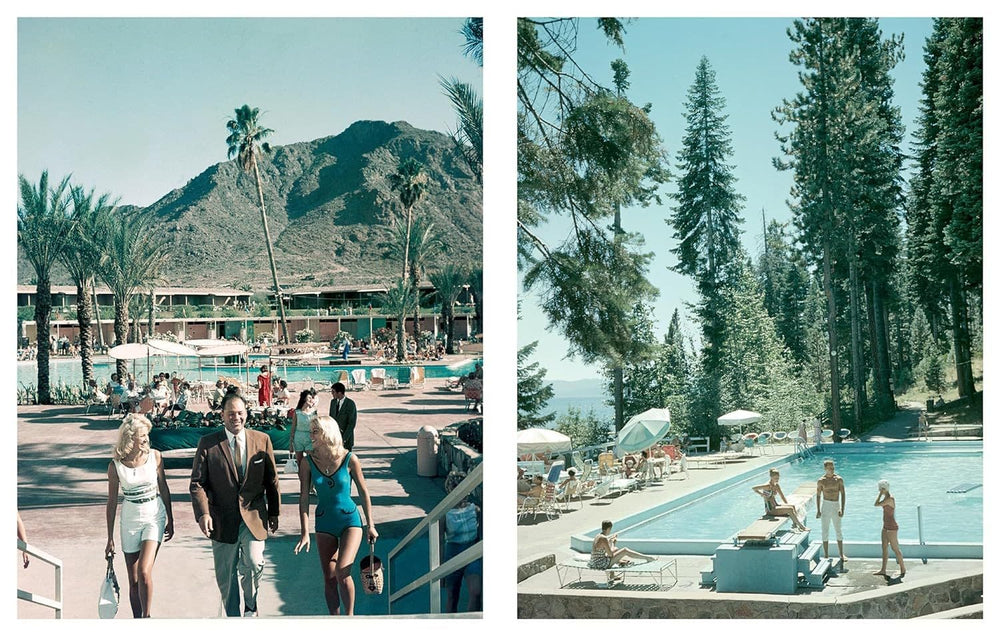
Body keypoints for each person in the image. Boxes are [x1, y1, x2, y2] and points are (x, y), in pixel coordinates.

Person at [190, 393, 280, 617]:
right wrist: (203, 514)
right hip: (222, 520)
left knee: (254, 562)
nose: (236, 418)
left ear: (246, 414)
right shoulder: (208, 443)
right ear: (222, 415)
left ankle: (251, 604)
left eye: (240, 413)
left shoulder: (262, 440)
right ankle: (232, 618)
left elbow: (272, 480)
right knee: (226, 575)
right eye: (231, 414)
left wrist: (274, 513)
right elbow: (197, 484)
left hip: (253, 517)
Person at [293, 415, 377, 615]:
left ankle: (349, 619)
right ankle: (335, 621)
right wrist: (304, 532)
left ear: (327, 432)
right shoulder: (307, 462)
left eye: (315, 431)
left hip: (350, 520)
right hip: (324, 521)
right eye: (311, 431)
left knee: (342, 572)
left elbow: (364, 493)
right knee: (329, 578)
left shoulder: (350, 458)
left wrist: (370, 524)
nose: (311, 435)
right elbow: (304, 497)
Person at [105, 414, 174, 617]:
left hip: (154, 515)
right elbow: (111, 503)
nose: (146, 439)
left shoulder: (156, 456)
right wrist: (109, 538)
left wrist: (171, 518)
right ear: (129, 437)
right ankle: (137, 620)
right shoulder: (115, 466)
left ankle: (147, 617)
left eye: (146, 435)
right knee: (133, 580)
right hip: (129, 519)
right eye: (142, 435)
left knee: (144, 571)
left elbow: (164, 487)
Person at [440, 470, 482, 612]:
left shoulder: (475, 510)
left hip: (471, 553)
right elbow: (440, 542)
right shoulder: (444, 514)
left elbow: (480, 536)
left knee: (476, 592)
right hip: (453, 554)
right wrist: (440, 570)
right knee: (452, 596)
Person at [590, 520, 655, 570]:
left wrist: (610, 541)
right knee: (625, 550)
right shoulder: (604, 538)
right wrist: (613, 543)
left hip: (594, 562)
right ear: (609, 529)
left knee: (616, 550)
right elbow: (610, 554)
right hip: (600, 564)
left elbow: (603, 551)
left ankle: (616, 570)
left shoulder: (598, 536)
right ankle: (647, 558)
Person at [816, 459, 847, 562]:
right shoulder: (821, 480)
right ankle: (826, 555)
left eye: (833, 467)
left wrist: (842, 508)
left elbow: (843, 494)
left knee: (838, 530)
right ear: (825, 469)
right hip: (826, 505)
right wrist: (818, 510)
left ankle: (841, 554)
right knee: (825, 530)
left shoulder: (839, 479)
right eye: (830, 468)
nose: (832, 470)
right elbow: (818, 496)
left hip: (835, 505)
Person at [874, 479, 905, 578]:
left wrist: (879, 495)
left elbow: (876, 504)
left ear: (884, 489)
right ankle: (883, 570)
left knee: (895, 548)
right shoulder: (886, 498)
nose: (879, 491)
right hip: (885, 526)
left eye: (881, 489)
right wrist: (881, 494)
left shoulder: (890, 499)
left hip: (892, 527)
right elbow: (878, 504)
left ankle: (903, 568)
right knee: (884, 548)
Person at [288, 388, 318, 466]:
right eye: (309, 398)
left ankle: (309, 477)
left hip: (310, 438)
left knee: (311, 461)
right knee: (299, 462)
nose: (311, 400)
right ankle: (301, 477)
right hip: (298, 438)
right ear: (304, 399)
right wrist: (291, 443)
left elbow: (316, 427)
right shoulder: (297, 412)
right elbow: (293, 427)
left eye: (312, 398)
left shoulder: (314, 412)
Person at [329, 382, 357, 451]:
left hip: (346, 440)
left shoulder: (350, 404)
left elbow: (351, 424)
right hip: (334, 439)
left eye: (333, 392)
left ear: (339, 392)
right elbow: (331, 419)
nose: (332, 394)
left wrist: (344, 439)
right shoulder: (333, 402)